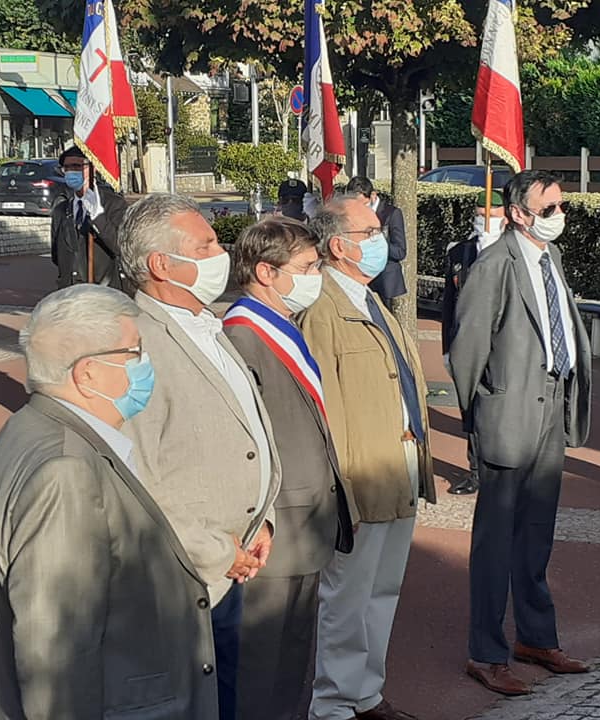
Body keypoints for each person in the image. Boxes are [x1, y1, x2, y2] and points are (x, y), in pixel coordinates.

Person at [0, 284, 219, 720]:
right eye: (134, 352)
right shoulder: (67, 470)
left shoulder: (31, 426)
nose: (146, 363)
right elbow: (54, 646)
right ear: (87, 374)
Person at [116, 193, 281, 720]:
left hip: (235, 558)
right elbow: (133, 477)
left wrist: (263, 519)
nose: (221, 253)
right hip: (184, 571)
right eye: (205, 245)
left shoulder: (206, 322)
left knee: (222, 694)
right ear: (161, 264)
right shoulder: (134, 343)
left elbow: (243, 430)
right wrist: (213, 549)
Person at [449, 170, 592, 697]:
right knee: (495, 542)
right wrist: (480, 415)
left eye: (561, 206)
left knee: (536, 534)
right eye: (548, 209)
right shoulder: (493, 265)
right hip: (507, 413)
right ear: (517, 214)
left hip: (552, 404)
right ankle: (486, 653)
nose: (559, 216)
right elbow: (466, 350)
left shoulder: (550, 257)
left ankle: (536, 637)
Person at [299, 196, 436, 720]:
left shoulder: (371, 298)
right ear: (339, 245)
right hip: (360, 473)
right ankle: (333, 703)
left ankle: (365, 693)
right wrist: (341, 489)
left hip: (399, 462)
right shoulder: (322, 308)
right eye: (371, 232)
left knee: (383, 590)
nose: (383, 240)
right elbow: (325, 407)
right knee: (347, 596)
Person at [223, 217, 356, 720]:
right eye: (307, 267)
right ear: (266, 272)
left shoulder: (284, 324)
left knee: (293, 658)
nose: (316, 276)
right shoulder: (243, 334)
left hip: (307, 517)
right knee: (261, 664)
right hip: (276, 524)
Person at [440, 190, 507, 496]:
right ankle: (476, 471)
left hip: (502, 347)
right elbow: (449, 305)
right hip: (467, 345)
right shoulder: (460, 253)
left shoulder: (512, 253)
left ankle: (501, 470)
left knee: (501, 410)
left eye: (491, 216)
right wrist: (447, 349)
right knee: (470, 411)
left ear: (506, 218)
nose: (485, 221)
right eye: (480, 215)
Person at [51, 145, 127, 289]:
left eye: (77, 166)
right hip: (69, 293)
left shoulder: (113, 204)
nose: (71, 172)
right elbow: (57, 255)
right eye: (66, 168)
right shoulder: (61, 210)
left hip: (103, 292)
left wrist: (98, 216)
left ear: (93, 168)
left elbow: (121, 247)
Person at [345, 176, 406, 307]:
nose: (359, 209)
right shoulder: (350, 214)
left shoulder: (392, 213)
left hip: (384, 282)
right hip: (360, 278)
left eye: (363, 204)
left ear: (373, 195)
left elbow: (400, 252)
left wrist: (379, 241)